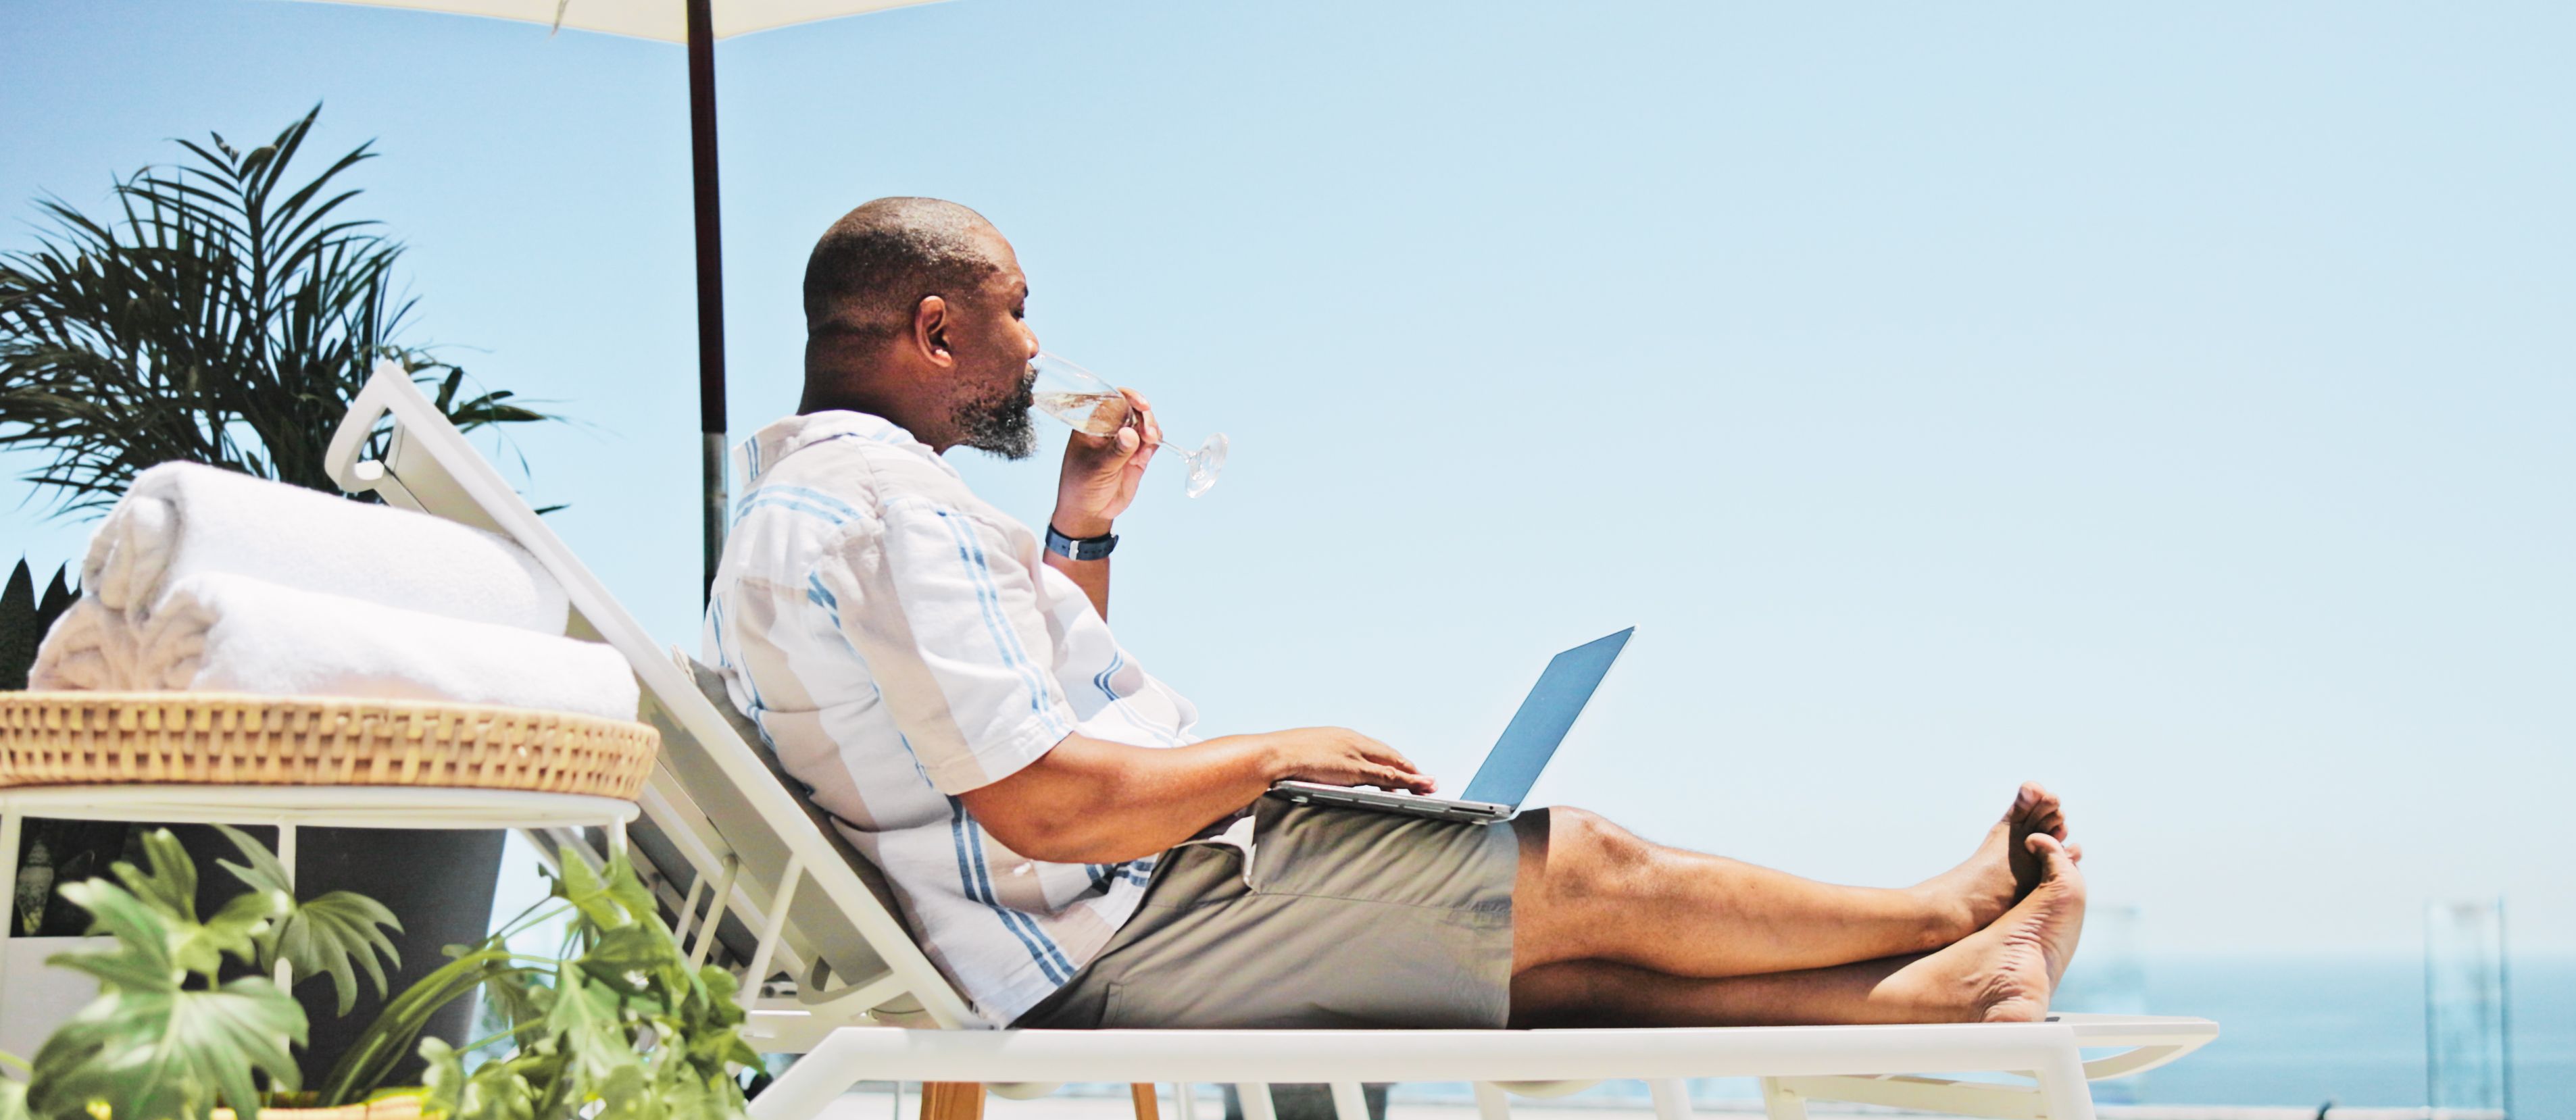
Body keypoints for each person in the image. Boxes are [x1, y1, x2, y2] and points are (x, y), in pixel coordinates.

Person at [705, 197, 2086, 1033]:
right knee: (1576, 865)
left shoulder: (801, 505)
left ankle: (1952, 991)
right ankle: (1935, 912)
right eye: (1015, 316)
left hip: (1046, 930)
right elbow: (1047, 806)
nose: (1032, 349)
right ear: (936, 331)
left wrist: (1083, 530)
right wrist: (1273, 756)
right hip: (1095, 930)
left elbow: (1020, 718)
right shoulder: (897, 509)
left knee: (1540, 961)